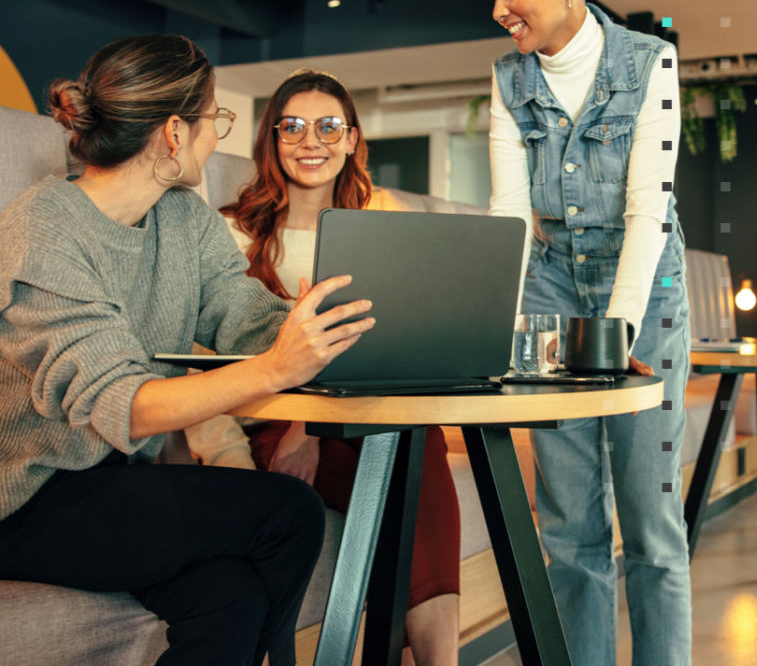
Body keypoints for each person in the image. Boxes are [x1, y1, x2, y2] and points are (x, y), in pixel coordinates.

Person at [0, 35, 378, 666]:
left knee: (228, 598)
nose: (216, 138)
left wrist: (323, 321)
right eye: (213, 121)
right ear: (174, 134)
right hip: (28, 496)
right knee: (289, 512)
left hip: (117, 483)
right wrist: (275, 368)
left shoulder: (182, 215)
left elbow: (242, 312)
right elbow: (125, 405)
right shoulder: (43, 230)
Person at [184, 69, 461, 666]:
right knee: (404, 456)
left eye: (329, 126)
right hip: (263, 427)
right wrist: (281, 436)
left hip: (351, 421)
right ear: (272, 139)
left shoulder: (382, 235)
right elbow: (199, 368)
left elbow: (388, 357)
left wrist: (309, 429)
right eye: (294, 127)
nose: (312, 140)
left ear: (353, 140)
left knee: (417, 445)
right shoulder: (231, 233)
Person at [484, 0, 692, 666]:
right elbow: (510, 213)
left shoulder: (649, 63)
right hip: (550, 283)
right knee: (567, 527)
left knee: (651, 525)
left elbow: (647, 209)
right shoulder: (508, 78)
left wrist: (618, 336)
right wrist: (504, 328)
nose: (501, 9)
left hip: (646, 290)